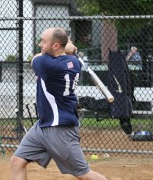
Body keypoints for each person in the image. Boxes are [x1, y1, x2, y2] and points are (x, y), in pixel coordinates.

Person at [10, 27, 107, 180]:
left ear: (55, 45)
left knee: (84, 174)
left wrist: (66, 47)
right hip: (43, 125)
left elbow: (35, 59)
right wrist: (66, 48)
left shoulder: (49, 65)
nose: (40, 45)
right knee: (17, 161)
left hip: (60, 129)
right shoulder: (73, 62)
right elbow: (61, 55)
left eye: (43, 42)